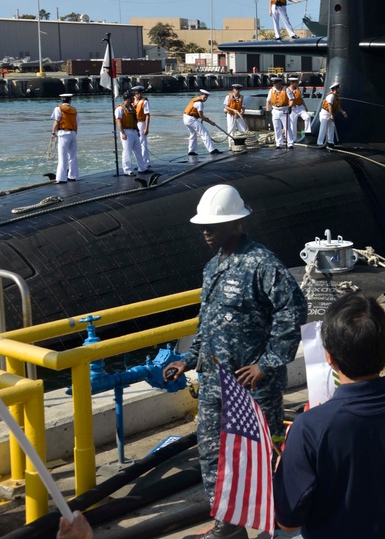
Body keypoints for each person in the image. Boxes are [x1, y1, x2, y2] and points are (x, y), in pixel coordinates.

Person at [162, 185, 308, 539]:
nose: (206, 231)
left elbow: (293, 312)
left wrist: (267, 363)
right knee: (213, 457)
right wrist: (189, 359)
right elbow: (207, 323)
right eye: (203, 226)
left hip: (252, 386)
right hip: (215, 383)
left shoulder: (262, 264)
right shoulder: (213, 267)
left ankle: (277, 522)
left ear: (238, 223)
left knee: (259, 458)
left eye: (214, 225)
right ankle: (227, 525)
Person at [273, 293, 385, 538]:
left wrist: (283, 468)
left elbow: (288, 522)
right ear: (384, 348)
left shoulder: (309, 427)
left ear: (329, 357)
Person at [183, 89, 221, 156]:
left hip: (185, 118)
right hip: (191, 119)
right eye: (204, 97)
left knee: (192, 134)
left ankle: (191, 151)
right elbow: (202, 116)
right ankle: (212, 150)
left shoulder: (195, 100)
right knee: (205, 133)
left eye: (206, 98)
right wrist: (211, 122)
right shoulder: (199, 103)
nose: (205, 99)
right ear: (200, 95)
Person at [51, 92, 78, 183]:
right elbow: (76, 123)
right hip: (73, 133)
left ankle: (61, 178)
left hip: (63, 133)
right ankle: (73, 176)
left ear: (62, 100)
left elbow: (56, 122)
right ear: (70, 101)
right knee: (72, 156)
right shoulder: (74, 110)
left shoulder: (58, 109)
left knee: (62, 157)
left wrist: (53, 133)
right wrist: (75, 133)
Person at [115, 90, 144, 175]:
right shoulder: (120, 108)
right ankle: (127, 170)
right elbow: (118, 120)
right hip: (126, 131)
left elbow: (134, 120)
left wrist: (138, 130)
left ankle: (142, 168)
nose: (133, 98)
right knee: (127, 151)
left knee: (138, 150)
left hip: (133, 130)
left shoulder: (131, 108)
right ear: (128, 98)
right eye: (132, 97)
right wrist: (122, 132)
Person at [316, 81, 347, 147]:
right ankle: (320, 142)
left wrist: (343, 112)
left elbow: (338, 107)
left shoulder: (336, 97)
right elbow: (329, 105)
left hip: (330, 113)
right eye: (338, 88)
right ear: (335, 89)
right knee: (323, 128)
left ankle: (330, 142)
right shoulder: (331, 96)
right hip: (325, 113)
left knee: (331, 127)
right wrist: (331, 115)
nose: (340, 89)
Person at [286, 77, 313, 146]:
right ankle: (293, 139)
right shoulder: (287, 90)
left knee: (307, 117)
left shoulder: (298, 90)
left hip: (300, 107)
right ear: (292, 83)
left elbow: (301, 99)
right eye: (296, 83)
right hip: (293, 108)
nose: (297, 84)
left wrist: (305, 107)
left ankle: (307, 132)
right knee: (293, 125)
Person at [265, 77, 291, 149]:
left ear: (280, 83)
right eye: (274, 83)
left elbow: (291, 99)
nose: (275, 85)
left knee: (287, 127)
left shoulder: (286, 90)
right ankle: (279, 143)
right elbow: (268, 101)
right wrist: (268, 111)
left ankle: (290, 143)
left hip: (284, 110)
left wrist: (290, 106)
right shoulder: (271, 90)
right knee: (277, 128)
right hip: (275, 110)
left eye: (276, 83)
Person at [132, 86, 152, 172]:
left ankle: (145, 162)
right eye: (137, 93)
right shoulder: (133, 102)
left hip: (141, 123)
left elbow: (147, 115)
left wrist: (146, 128)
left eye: (140, 93)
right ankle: (142, 162)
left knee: (142, 143)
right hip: (135, 123)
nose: (139, 95)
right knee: (137, 143)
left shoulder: (144, 102)